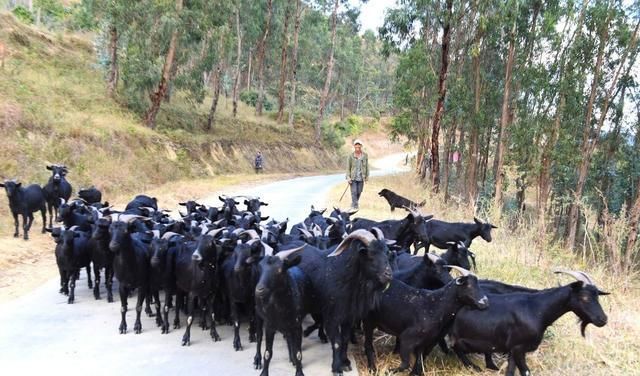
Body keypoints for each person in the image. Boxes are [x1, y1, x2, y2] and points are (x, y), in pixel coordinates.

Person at [346, 139, 369, 210]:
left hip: (361, 178)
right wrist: (348, 177)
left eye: (359, 147)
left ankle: (353, 203)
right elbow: (348, 167)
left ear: (361, 146)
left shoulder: (365, 155)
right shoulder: (350, 156)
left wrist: (367, 176)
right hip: (353, 178)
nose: (357, 148)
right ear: (354, 147)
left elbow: (367, 167)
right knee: (354, 192)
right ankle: (355, 206)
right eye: (356, 147)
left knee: (359, 192)